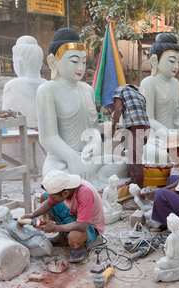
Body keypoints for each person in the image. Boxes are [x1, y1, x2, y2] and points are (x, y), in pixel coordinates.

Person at [36, 28, 128, 189]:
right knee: (58, 180)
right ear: (53, 62)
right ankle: (96, 183)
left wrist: (94, 144)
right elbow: (48, 137)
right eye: (74, 61)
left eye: (83, 61)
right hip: (62, 163)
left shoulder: (87, 90)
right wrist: (72, 158)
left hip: (89, 158)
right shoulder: (47, 90)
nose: (80, 67)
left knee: (124, 163)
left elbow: (92, 129)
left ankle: (94, 181)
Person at [18, 170, 105, 263]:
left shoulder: (85, 192)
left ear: (65, 193)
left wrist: (55, 227)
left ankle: (79, 246)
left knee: (74, 237)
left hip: (89, 226)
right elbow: (49, 202)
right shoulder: (66, 187)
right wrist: (32, 215)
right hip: (74, 216)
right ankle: (63, 237)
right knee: (45, 197)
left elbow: (83, 225)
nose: (52, 199)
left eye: (54, 197)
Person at [110, 84, 151, 188]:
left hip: (135, 127)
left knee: (135, 161)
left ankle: (137, 192)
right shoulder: (140, 96)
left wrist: (113, 125)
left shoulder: (120, 89)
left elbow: (118, 109)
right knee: (122, 140)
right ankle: (119, 152)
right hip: (145, 127)